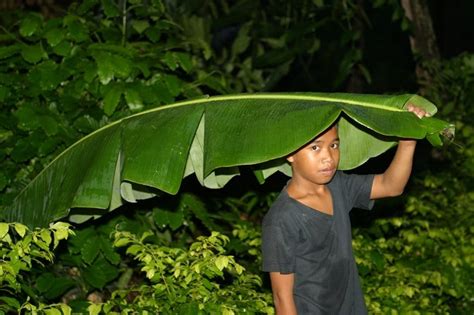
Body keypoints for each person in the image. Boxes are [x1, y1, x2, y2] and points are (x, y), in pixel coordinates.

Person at [261, 105, 428, 314]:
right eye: (315, 148)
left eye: (334, 145)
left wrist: (408, 141)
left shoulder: (338, 186)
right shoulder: (281, 218)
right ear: (290, 153)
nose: (328, 158)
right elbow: (281, 298)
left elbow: (391, 186)